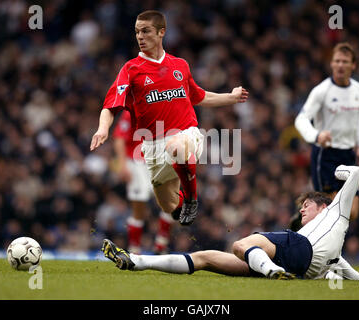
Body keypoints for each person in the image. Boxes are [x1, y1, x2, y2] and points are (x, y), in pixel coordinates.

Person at [90, 10, 249, 226]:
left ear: (161, 32)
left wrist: (230, 97)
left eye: (145, 31)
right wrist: (102, 129)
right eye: (137, 32)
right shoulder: (131, 69)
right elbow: (109, 106)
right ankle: (183, 200)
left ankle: (192, 198)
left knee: (177, 146)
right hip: (152, 146)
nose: (140, 37)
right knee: (169, 207)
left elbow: (199, 96)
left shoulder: (180, 65)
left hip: (186, 135)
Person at [101, 165, 359, 281]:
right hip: (297, 265)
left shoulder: (336, 212)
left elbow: (356, 172)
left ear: (325, 206)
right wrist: (355, 277)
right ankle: (137, 261)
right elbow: (350, 272)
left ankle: (269, 270)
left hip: (293, 253)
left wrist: (336, 171)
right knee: (204, 258)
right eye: (302, 205)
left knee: (241, 244)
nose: (302, 208)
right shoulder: (332, 247)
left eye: (308, 204)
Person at [294, 42, 359, 222]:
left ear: (353, 65)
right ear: (331, 64)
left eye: (345, 61)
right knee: (331, 213)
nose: (340, 65)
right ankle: (307, 234)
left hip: (348, 155)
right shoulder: (322, 91)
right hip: (326, 155)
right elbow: (301, 119)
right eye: (337, 61)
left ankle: (301, 222)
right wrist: (316, 136)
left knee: (352, 213)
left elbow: (356, 118)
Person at [112, 110, 173, 254]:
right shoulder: (130, 112)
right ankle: (134, 250)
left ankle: (160, 245)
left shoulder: (163, 108)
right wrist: (122, 165)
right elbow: (119, 138)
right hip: (136, 163)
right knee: (139, 210)